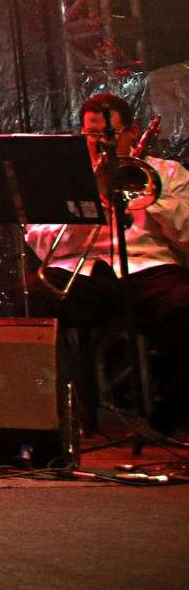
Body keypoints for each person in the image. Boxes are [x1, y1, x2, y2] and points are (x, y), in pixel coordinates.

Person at [27, 92, 189, 429]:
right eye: (91, 134)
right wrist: (91, 204)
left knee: (183, 303)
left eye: (108, 135)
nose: (100, 143)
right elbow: (40, 242)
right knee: (29, 295)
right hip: (82, 273)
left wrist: (151, 198)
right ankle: (61, 416)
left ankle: (170, 418)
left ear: (132, 132)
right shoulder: (64, 177)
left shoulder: (168, 173)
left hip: (149, 269)